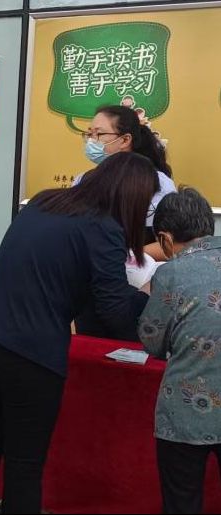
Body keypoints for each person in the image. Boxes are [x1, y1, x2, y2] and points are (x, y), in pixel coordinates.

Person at [0, 152, 156, 514]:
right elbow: (114, 311)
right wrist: (151, 302)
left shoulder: (46, 202)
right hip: (30, 352)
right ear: (133, 195)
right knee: (24, 463)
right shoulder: (104, 228)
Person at [138, 188, 221, 514]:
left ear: (165, 239)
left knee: (182, 502)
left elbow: (152, 341)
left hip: (186, 413)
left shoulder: (171, 274)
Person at [74, 104, 177, 340]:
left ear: (125, 140)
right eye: (89, 134)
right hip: (91, 286)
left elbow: (170, 245)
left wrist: (127, 255)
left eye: (99, 134)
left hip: (139, 287)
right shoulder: (83, 180)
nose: (91, 141)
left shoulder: (157, 183)